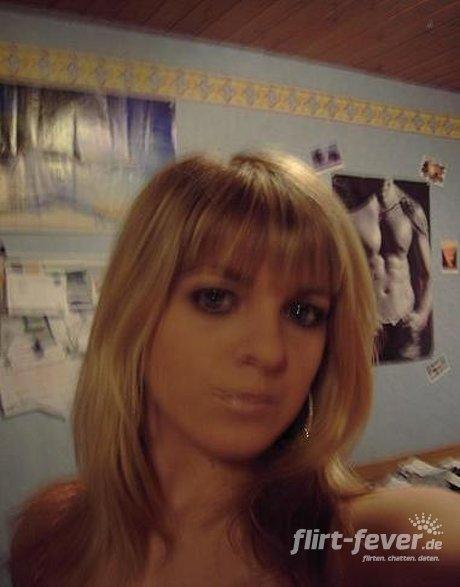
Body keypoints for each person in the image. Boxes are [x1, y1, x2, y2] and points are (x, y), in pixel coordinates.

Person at [7, 152, 459, 586]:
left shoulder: (362, 545)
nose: (269, 352)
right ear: (134, 316)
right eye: (215, 298)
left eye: (303, 312)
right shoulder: (52, 535)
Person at [332, 175, 433, 362]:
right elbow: (337, 278)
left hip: (406, 322)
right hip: (370, 325)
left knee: (414, 378)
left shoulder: (411, 210)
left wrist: (422, 315)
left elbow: (428, 275)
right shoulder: (347, 210)